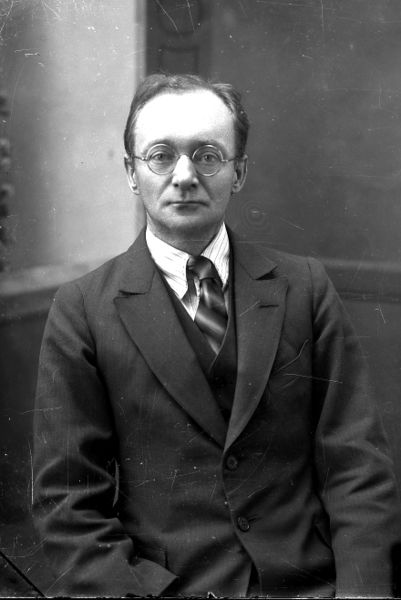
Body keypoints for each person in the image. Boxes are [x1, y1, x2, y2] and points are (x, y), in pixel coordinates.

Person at [33, 73, 400, 598]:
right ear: (132, 173)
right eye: (161, 156)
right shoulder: (83, 309)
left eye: (207, 156)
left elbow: (357, 468)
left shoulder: (305, 287)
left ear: (239, 172)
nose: (184, 176)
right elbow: (68, 505)